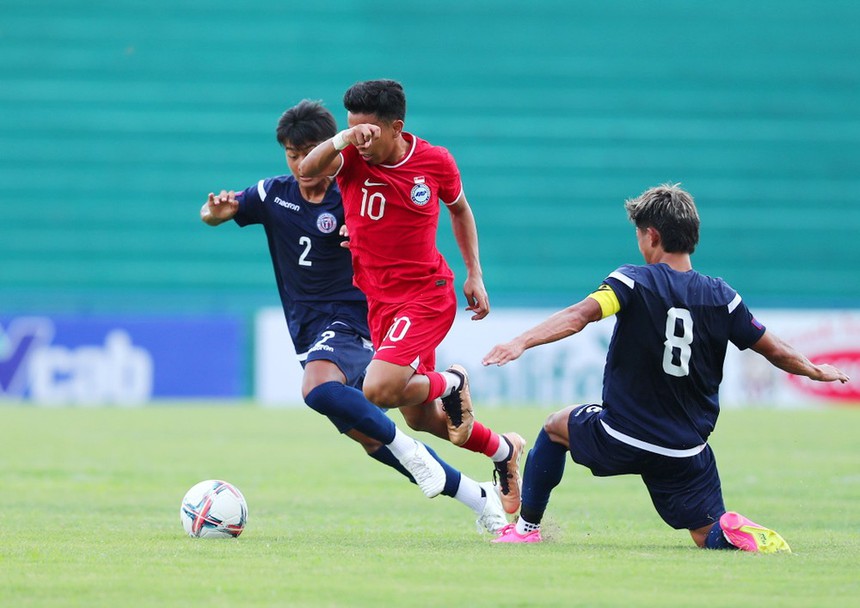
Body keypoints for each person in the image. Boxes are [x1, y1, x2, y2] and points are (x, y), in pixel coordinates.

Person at [482, 184, 850, 550]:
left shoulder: (632, 282)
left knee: (554, 427)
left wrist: (520, 342)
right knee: (707, 536)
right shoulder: (723, 297)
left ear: (652, 235)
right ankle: (736, 532)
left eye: (640, 234)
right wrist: (814, 369)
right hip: (685, 450)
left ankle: (526, 529)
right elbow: (775, 349)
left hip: (622, 435)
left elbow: (580, 316)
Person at [200, 99, 507, 533]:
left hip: (355, 316)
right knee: (369, 435)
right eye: (292, 154)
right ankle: (479, 497)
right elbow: (216, 213)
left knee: (319, 389)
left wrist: (360, 231)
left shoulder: (353, 187)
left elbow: (401, 217)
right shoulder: (273, 194)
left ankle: (415, 448)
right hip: (307, 329)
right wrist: (213, 213)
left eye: (308, 151)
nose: (302, 164)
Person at [299, 79, 524, 513]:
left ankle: (452, 382)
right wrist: (342, 137)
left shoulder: (434, 162)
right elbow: (307, 171)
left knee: (378, 389)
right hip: (379, 303)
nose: (360, 141)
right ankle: (504, 452)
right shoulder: (348, 157)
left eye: (368, 131)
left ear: (396, 127)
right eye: (353, 129)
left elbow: (460, 209)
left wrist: (475, 273)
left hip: (425, 295)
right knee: (423, 418)